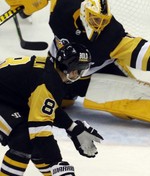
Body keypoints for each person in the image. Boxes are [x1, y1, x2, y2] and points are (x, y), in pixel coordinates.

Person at [2, 0, 150, 127]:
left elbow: (140, 51)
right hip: (59, 70)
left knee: (124, 109)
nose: (99, 25)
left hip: (95, 74)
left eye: (102, 21)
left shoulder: (111, 35)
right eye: (95, 20)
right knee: (49, 102)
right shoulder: (65, 7)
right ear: (84, 12)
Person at [0, 43, 103, 175]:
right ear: (71, 70)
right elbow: (39, 129)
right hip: (5, 101)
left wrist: (72, 127)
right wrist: (56, 163)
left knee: (33, 141)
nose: (80, 75)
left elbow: (47, 109)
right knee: (24, 139)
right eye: (80, 70)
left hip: (8, 99)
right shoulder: (48, 82)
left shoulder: (50, 73)